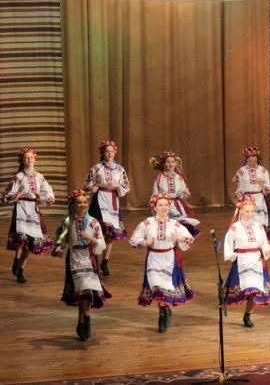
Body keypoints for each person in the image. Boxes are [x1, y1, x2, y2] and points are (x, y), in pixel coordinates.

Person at [130, 194, 196, 333]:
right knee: (157, 287)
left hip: (169, 259)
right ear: (154, 207)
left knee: (165, 289)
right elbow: (133, 240)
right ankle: (164, 312)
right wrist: (145, 242)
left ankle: (163, 314)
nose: (164, 208)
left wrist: (180, 238)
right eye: (160, 205)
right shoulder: (147, 223)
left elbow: (190, 239)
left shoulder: (174, 224)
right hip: (154, 259)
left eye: (166, 205)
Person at [52, 190, 111, 341]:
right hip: (75, 258)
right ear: (73, 205)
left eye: (85, 202)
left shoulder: (93, 222)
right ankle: (86, 320)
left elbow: (101, 243)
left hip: (90, 257)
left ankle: (83, 321)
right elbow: (60, 239)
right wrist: (58, 249)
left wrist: (92, 239)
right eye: (79, 202)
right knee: (83, 290)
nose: (83, 205)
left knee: (87, 292)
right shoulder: (67, 222)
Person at [222, 196, 270, 328]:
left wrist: (268, 250)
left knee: (256, 290)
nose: (250, 214)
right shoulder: (235, 228)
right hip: (242, 261)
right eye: (247, 211)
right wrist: (230, 255)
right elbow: (228, 243)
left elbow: (264, 243)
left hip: (256, 261)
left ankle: (247, 315)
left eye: (252, 211)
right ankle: (247, 307)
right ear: (241, 211)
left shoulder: (258, 226)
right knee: (247, 289)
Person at [2, 147, 55, 283]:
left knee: (31, 242)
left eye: (31, 157)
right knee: (22, 238)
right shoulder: (19, 177)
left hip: (33, 209)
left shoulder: (40, 177)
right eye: (26, 158)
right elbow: (7, 195)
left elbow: (50, 194)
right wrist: (15, 195)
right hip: (21, 207)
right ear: (22, 160)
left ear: (35, 159)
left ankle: (21, 269)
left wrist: (42, 197)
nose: (29, 160)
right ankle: (16, 260)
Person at [84, 140, 130, 276]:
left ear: (115, 153)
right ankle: (94, 260)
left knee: (110, 232)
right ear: (103, 153)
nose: (109, 154)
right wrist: (92, 187)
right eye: (106, 151)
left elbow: (126, 185)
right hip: (99, 200)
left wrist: (117, 186)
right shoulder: (97, 168)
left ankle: (105, 261)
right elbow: (87, 184)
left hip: (113, 201)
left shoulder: (120, 169)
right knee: (98, 229)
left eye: (111, 151)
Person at [149, 150, 201, 237]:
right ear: (164, 164)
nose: (171, 164)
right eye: (168, 162)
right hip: (164, 205)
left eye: (173, 162)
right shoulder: (160, 178)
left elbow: (182, 193)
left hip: (177, 205)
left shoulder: (179, 178)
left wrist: (185, 195)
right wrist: (155, 207)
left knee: (180, 226)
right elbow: (155, 194)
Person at [232, 146, 270, 240]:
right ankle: (247, 240)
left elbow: (268, 189)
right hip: (246, 199)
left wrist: (262, 185)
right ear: (246, 160)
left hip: (259, 199)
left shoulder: (263, 171)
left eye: (254, 161)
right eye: (250, 161)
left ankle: (260, 240)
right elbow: (238, 187)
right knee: (247, 220)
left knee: (259, 221)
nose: (252, 163)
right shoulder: (241, 171)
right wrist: (238, 194)